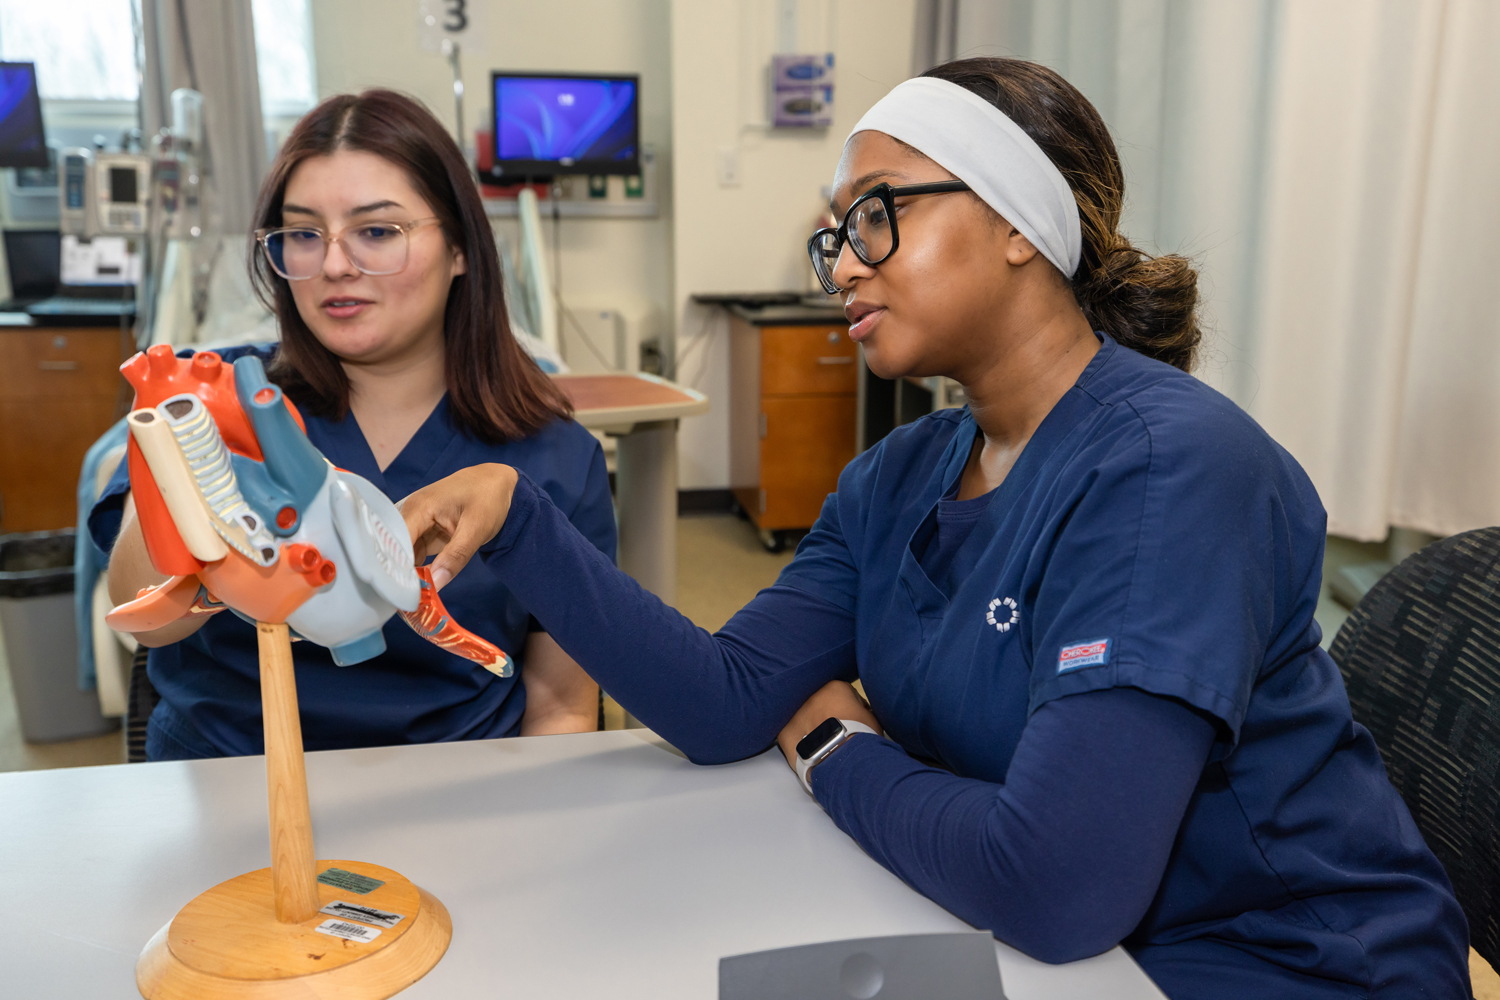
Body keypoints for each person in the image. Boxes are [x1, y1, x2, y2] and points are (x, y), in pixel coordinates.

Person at [414, 59, 1471, 996]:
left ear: (1019, 221)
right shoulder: (898, 475)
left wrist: (835, 744)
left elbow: (1057, 885)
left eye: (876, 214)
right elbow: (726, 700)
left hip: (1278, 959)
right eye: (833, 236)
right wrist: (521, 522)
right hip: (1052, 945)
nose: (841, 266)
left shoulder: (1169, 469)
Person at [93, 90, 614, 760]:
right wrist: (184, 462)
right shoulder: (213, 398)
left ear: (459, 247)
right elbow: (146, 619)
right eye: (304, 234)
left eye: (376, 231)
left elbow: (562, 708)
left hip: (463, 789)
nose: (335, 264)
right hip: (233, 780)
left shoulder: (555, 456)